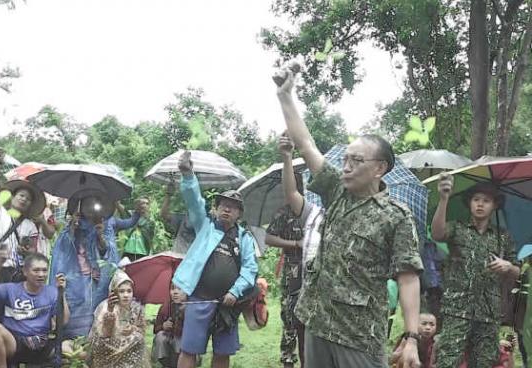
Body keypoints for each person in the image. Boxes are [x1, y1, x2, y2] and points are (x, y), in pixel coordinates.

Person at [275, 65, 423, 367]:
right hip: (317, 321)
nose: (346, 167)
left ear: (379, 168)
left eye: (356, 160)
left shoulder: (396, 216)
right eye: (345, 159)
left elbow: (408, 278)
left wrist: (411, 337)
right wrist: (285, 96)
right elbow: (306, 144)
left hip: (358, 334)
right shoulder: (336, 192)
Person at [172, 151, 258, 368]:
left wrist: (234, 291)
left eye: (232, 206)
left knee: (222, 352)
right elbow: (194, 202)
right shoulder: (205, 226)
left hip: (228, 304)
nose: (227, 208)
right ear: (217, 208)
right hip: (199, 298)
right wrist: (188, 175)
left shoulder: (244, 238)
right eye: (223, 205)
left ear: (239, 213)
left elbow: (250, 269)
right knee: (189, 349)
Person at [431, 178, 520, 368]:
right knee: (447, 361)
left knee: (485, 363)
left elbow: (516, 271)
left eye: (486, 200)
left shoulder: (503, 236)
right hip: (457, 309)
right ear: (469, 203)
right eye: (476, 199)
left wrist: (508, 266)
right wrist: (444, 198)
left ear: (495, 205)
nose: (480, 204)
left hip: (489, 312)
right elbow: (437, 234)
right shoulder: (457, 228)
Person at [50, 189, 138, 339]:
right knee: (76, 306)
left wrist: (100, 235)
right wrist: (72, 227)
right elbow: (65, 247)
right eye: (87, 204)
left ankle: (95, 340)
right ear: (81, 206)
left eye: (94, 204)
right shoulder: (74, 224)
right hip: (76, 278)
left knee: (98, 307)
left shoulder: (107, 222)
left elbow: (106, 251)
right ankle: (74, 340)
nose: (91, 207)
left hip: (98, 278)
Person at [0, 149, 46, 322]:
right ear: (13, 196)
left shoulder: (30, 226)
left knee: (10, 312)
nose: (24, 199)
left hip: (16, 273)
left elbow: (33, 253)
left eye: (28, 199)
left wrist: (26, 252)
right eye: (21, 195)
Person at [0, 251, 69, 368]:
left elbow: (63, 321)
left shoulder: (52, 292)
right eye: (36, 270)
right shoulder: (11, 289)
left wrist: (61, 292)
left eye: (44, 270)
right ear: (25, 272)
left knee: (74, 349)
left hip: (42, 342)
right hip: (15, 343)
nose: (41, 274)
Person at [265, 135, 306, 368]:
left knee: (308, 322)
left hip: (313, 272)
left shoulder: (314, 210)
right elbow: (269, 238)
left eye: (299, 183)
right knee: (290, 317)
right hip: (292, 271)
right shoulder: (283, 213)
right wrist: (295, 245)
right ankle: (288, 360)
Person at [89, 270, 145, 368]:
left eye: (129, 291)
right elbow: (102, 335)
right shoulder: (105, 306)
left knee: (138, 338)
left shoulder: (136, 308)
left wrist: (133, 329)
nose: (126, 295)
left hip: (129, 345)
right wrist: (110, 311)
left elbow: (142, 329)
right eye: (121, 291)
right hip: (108, 344)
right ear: (114, 292)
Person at [152, 286, 186, 368]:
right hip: (167, 343)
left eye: (179, 289)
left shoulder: (191, 308)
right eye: (172, 289)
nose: (175, 292)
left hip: (183, 343)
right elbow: (155, 329)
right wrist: (163, 326)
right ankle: (163, 364)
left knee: (178, 340)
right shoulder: (166, 307)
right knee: (160, 336)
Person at [161, 183, 196, 254]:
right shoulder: (181, 218)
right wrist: (168, 195)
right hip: (177, 257)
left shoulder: (204, 222)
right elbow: (164, 214)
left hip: (193, 260)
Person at [122, 197, 155, 261]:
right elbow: (121, 209)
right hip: (128, 252)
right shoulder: (130, 217)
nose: (144, 205)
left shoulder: (150, 222)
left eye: (147, 203)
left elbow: (150, 236)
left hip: (142, 253)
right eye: (142, 203)